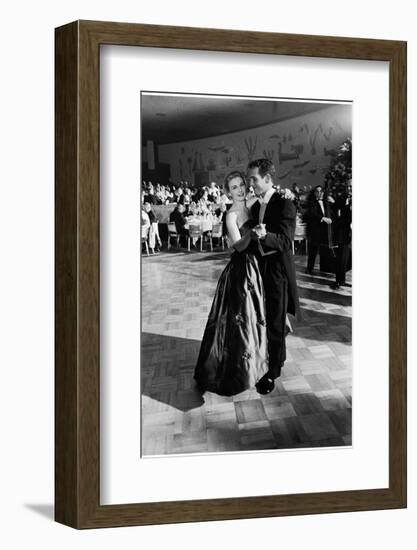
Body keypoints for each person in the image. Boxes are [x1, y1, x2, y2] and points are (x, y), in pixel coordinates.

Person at [194, 171, 268, 396]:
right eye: (234, 187)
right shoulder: (231, 215)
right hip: (241, 271)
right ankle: (239, 370)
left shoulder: (254, 202)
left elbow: (268, 198)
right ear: (227, 192)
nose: (240, 189)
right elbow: (237, 245)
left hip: (258, 267)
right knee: (240, 322)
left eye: (242, 185)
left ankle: (259, 365)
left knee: (257, 318)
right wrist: (254, 234)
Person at [247, 158, 300, 394]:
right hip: (259, 269)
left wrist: (264, 236)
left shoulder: (285, 203)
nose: (251, 184)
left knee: (275, 321)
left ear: (267, 179)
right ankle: (269, 356)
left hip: (278, 270)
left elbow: (286, 241)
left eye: (254, 179)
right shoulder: (256, 207)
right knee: (263, 317)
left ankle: (274, 371)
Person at [304, 185, 334, 274]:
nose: (320, 193)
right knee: (313, 250)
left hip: (325, 230)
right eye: (317, 191)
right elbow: (312, 214)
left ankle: (325, 268)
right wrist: (323, 219)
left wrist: (333, 202)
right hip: (314, 230)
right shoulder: (311, 202)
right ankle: (309, 268)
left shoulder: (326, 202)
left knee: (325, 250)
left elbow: (332, 213)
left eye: (321, 191)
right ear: (314, 193)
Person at [332, 181, 352, 289]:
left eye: (351, 186)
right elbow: (334, 210)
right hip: (344, 234)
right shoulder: (341, 198)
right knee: (341, 258)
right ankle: (340, 280)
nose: (349, 188)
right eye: (348, 186)